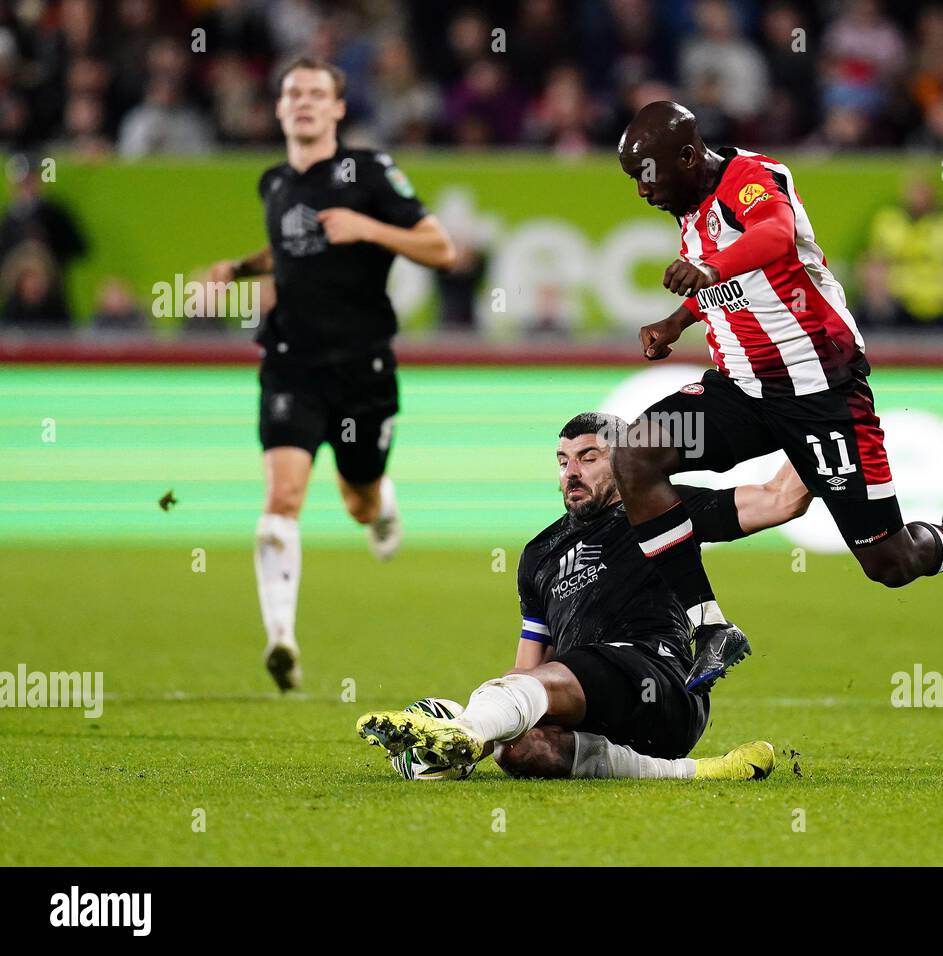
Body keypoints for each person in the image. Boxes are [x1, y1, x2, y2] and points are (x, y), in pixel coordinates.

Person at [611, 101, 943, 693]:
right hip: (741, 391)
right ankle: (708, 624)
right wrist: (677, 322)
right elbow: (741, 288)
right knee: (636, 456)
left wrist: (708, 268)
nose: (642, 192)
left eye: (647, 176)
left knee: (888, 563)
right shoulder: (688, 206)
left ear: (689, 157)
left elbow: (773, 234)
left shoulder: (754, 179)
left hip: (823, 393)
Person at [355, 412, 809, 780]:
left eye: (589, 457)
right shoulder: (539, 554)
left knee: (539, 691)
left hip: (663, 685)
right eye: (562, 460)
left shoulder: (661, 509)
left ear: (625, 462)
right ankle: (700, 772)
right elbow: (527, 671)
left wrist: (823, 423)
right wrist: (502, 711)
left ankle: (463, 731)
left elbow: (780, 498)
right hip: (589, 705)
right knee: (519, 752)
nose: (572, 471)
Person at [206, 57, 456, 691]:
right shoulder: (273, 183)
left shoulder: (368, 172)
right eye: (294, 92)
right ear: (280, 107)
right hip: (291, 362)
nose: (305, 102)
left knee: (356, 499)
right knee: (279, 503)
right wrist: (240, 268)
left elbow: (441, 248)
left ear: (339, 109)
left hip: (363, 367)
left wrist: (368, 227)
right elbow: (290, 247)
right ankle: (281, 640)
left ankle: (380, 504)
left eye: (318, 93)